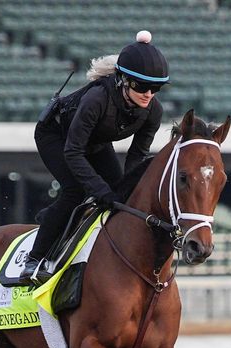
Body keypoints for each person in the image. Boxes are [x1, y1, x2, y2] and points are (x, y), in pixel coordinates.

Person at [19, 30, 169, 285]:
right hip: (56, 137)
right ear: (123, 80)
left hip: (95, 144)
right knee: (76, 190)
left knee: (121, 194)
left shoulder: (153, 111)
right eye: (142, 86)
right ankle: (35, 259)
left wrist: (127, 190)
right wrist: (99, 189)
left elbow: (137, 156)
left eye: (155, 88)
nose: (148, 94)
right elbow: (73, 151)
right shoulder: (97, 99)